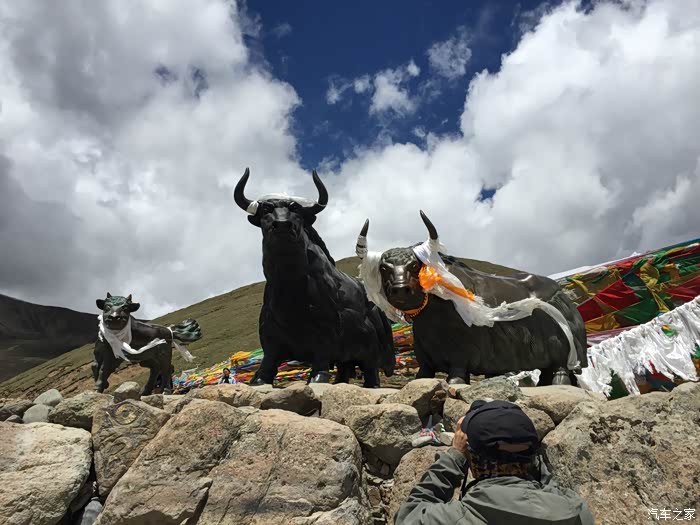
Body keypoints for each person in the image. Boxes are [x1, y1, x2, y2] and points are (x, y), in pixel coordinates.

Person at [395, 399, 594, 524]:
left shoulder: (454, 518)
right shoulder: (576, 513)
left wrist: (454, 457)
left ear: (473, 460)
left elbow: (407, 516)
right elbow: (550, 491)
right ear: (532, 459)